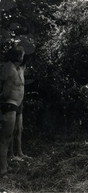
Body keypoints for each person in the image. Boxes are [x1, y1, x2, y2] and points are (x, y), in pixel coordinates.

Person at [0, 45, 27, 176]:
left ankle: (5, 166)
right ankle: (3, 169)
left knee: (9, 137)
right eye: (22, 54)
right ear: (18, 56)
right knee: (5, 139)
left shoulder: (16, 69)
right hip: (9, 105)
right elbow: (5, 92)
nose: (23, 57)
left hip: (15, 105)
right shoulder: (9, 69)